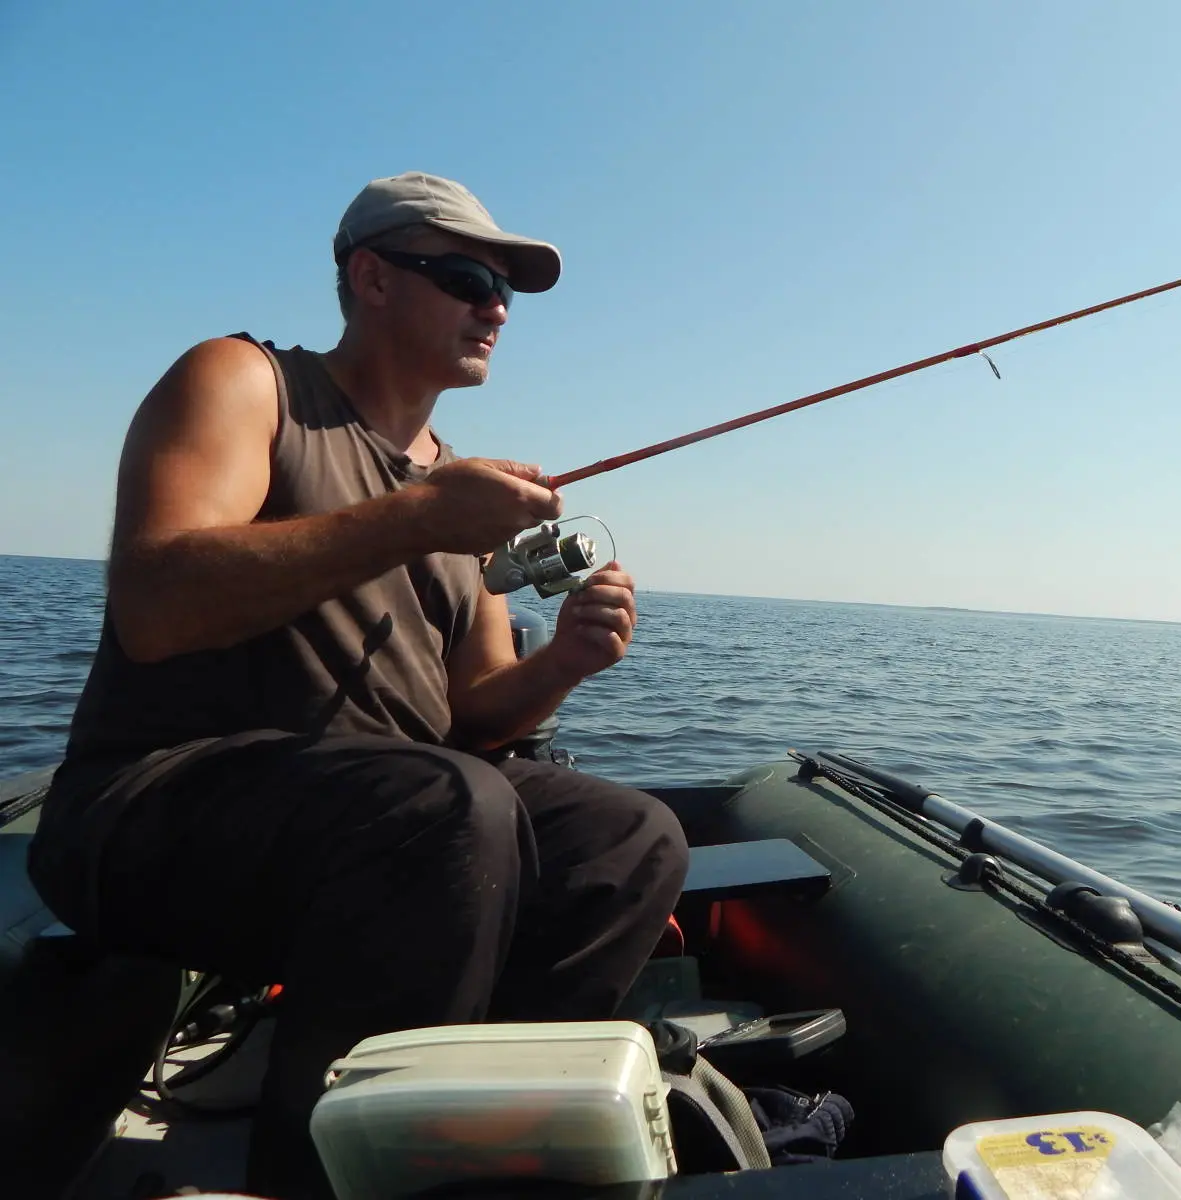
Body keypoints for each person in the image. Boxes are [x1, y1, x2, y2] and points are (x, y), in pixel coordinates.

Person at [26, 172, 690, 1198]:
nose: (497, 309)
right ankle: (317, 1177)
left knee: (626, 837)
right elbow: (155, 606)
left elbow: (474, 716)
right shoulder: (244, 382)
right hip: (145, 812)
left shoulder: (459, 488)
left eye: (506, 292)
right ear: (372, 278)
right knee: (444, 808)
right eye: (469, 279)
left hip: (392, 823)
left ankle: (475, 1151)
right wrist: (417, 518)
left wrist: (565, 661)